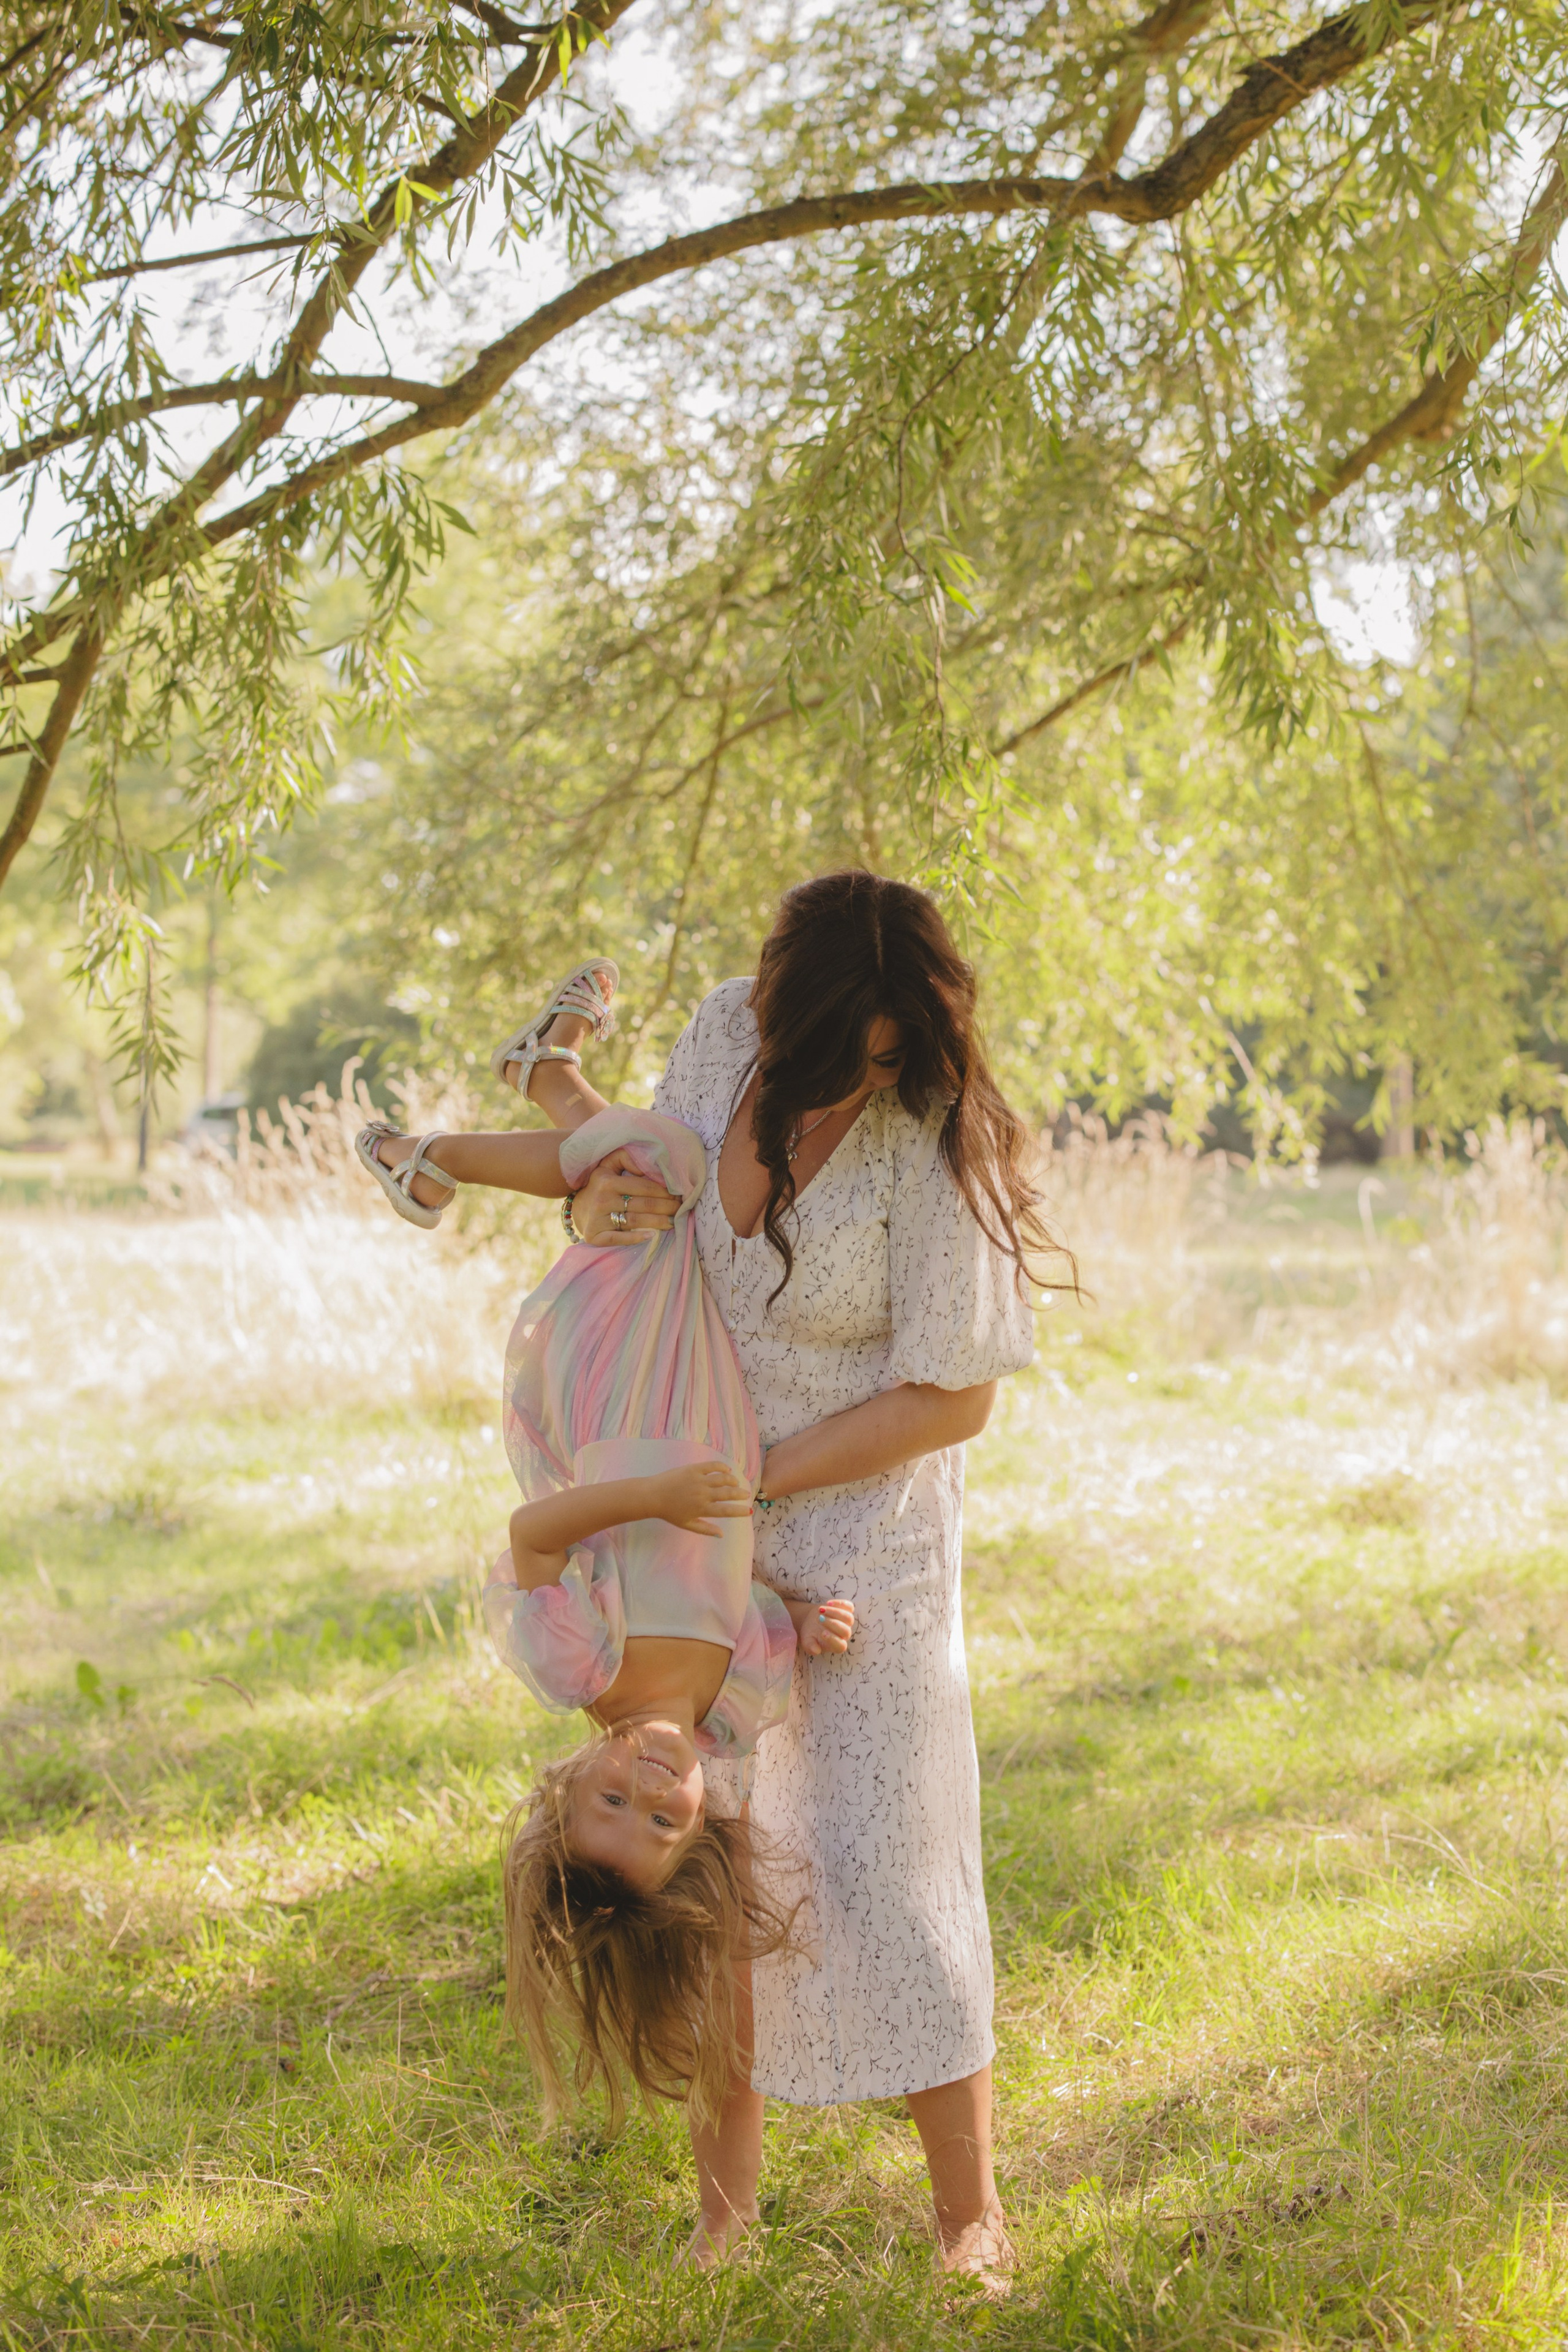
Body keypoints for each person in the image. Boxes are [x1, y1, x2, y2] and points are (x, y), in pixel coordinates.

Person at [360, 880, 1057, 2291]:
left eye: (882, 1054)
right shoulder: (729, 1028)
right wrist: (606, 1200)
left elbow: (956, 1398)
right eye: (833, 1050)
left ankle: (967, 2220)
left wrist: (751, 1483)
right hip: (688, 1517)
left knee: (894, 1864)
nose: (855, 1078)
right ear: (775, 1007)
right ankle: (722, 2220)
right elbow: (661, 1192)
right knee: (721, 1893)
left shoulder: (932, 1130)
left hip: (846, 1526)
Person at [360, 1087, 854, 2133]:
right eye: (663, 1818)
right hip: (713, 1407)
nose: (649, 1787)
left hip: (612, 1398)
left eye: (612, 1799)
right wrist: (809, 1622)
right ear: (703, 1826)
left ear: (567, 1783)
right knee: (664, 1194)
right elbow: (745, 1595)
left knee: (656, 1155)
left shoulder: (581, 1667)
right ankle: (549, 1074)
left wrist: (651, 1496)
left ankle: (428, 1158)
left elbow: (532, 1536)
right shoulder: (734, 1701)